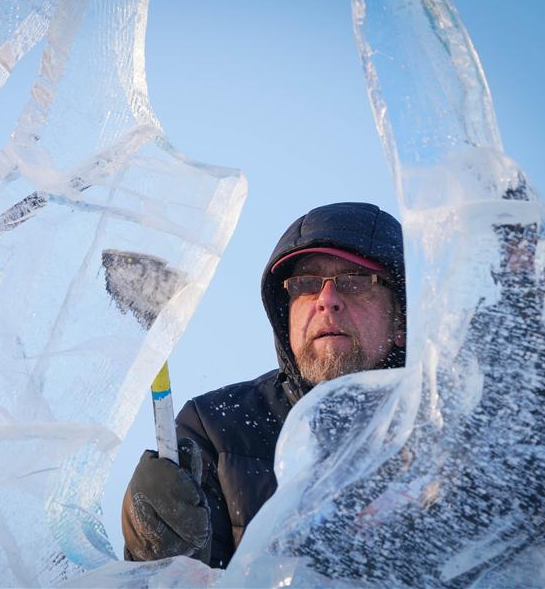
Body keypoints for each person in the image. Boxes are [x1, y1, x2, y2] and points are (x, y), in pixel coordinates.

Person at [121, 202, 407, 568]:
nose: (327, 300)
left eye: (354, 281)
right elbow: (172, 579)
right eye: (306, 284)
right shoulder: (216, 427)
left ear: (401, 320)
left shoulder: (450, 430)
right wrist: (151, 542)